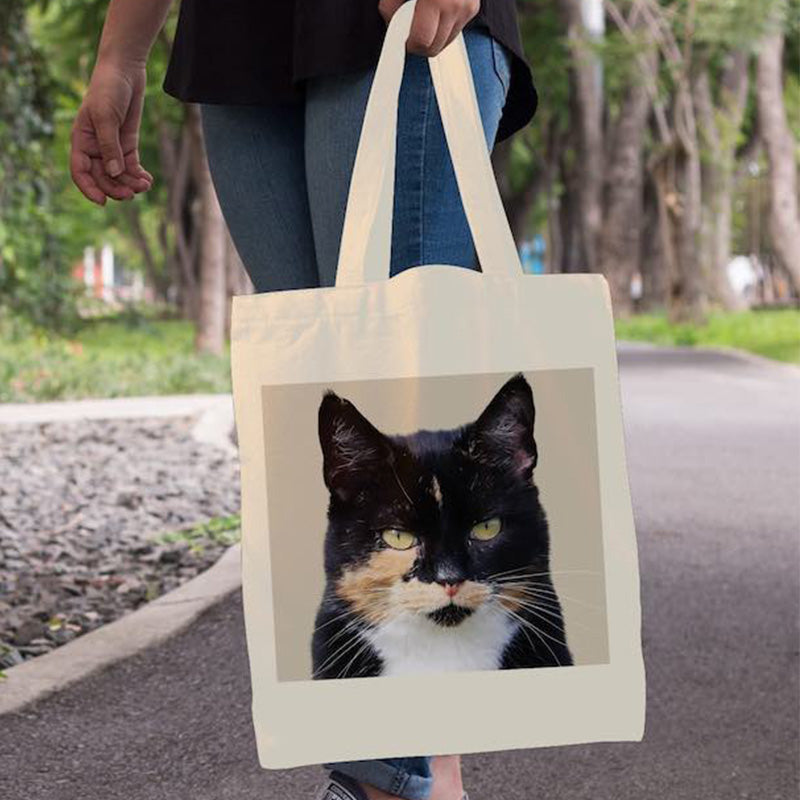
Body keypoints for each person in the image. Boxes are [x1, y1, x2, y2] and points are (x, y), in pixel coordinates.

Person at [70, 1, 538, 798]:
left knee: (396, 395)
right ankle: (410, 778)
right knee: (338, 425)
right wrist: (122, 54)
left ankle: (392, 783)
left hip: (395, 18)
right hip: (241, 36)